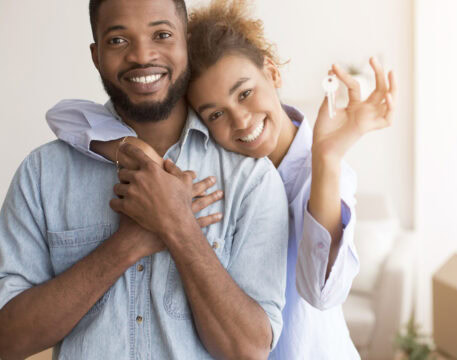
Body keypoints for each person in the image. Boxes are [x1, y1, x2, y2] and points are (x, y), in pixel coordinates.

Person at [46, 0, 397, 358]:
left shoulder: (319, 172)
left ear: (272, 73)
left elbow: (322, 292)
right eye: (215, 114)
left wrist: (327, 158)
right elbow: (64, 116)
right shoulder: (219, 164)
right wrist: (136, 150)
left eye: (245, 93)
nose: (242, 121)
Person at [0, 0, 290, 359]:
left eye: (161, 34)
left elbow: (249, 349)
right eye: (118, 41)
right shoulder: (42, 173)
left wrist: (178, 227)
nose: (142, 56)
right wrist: (131, 242)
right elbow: (8, 341)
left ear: (184, 43)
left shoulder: (250, 178)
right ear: (96, 55)